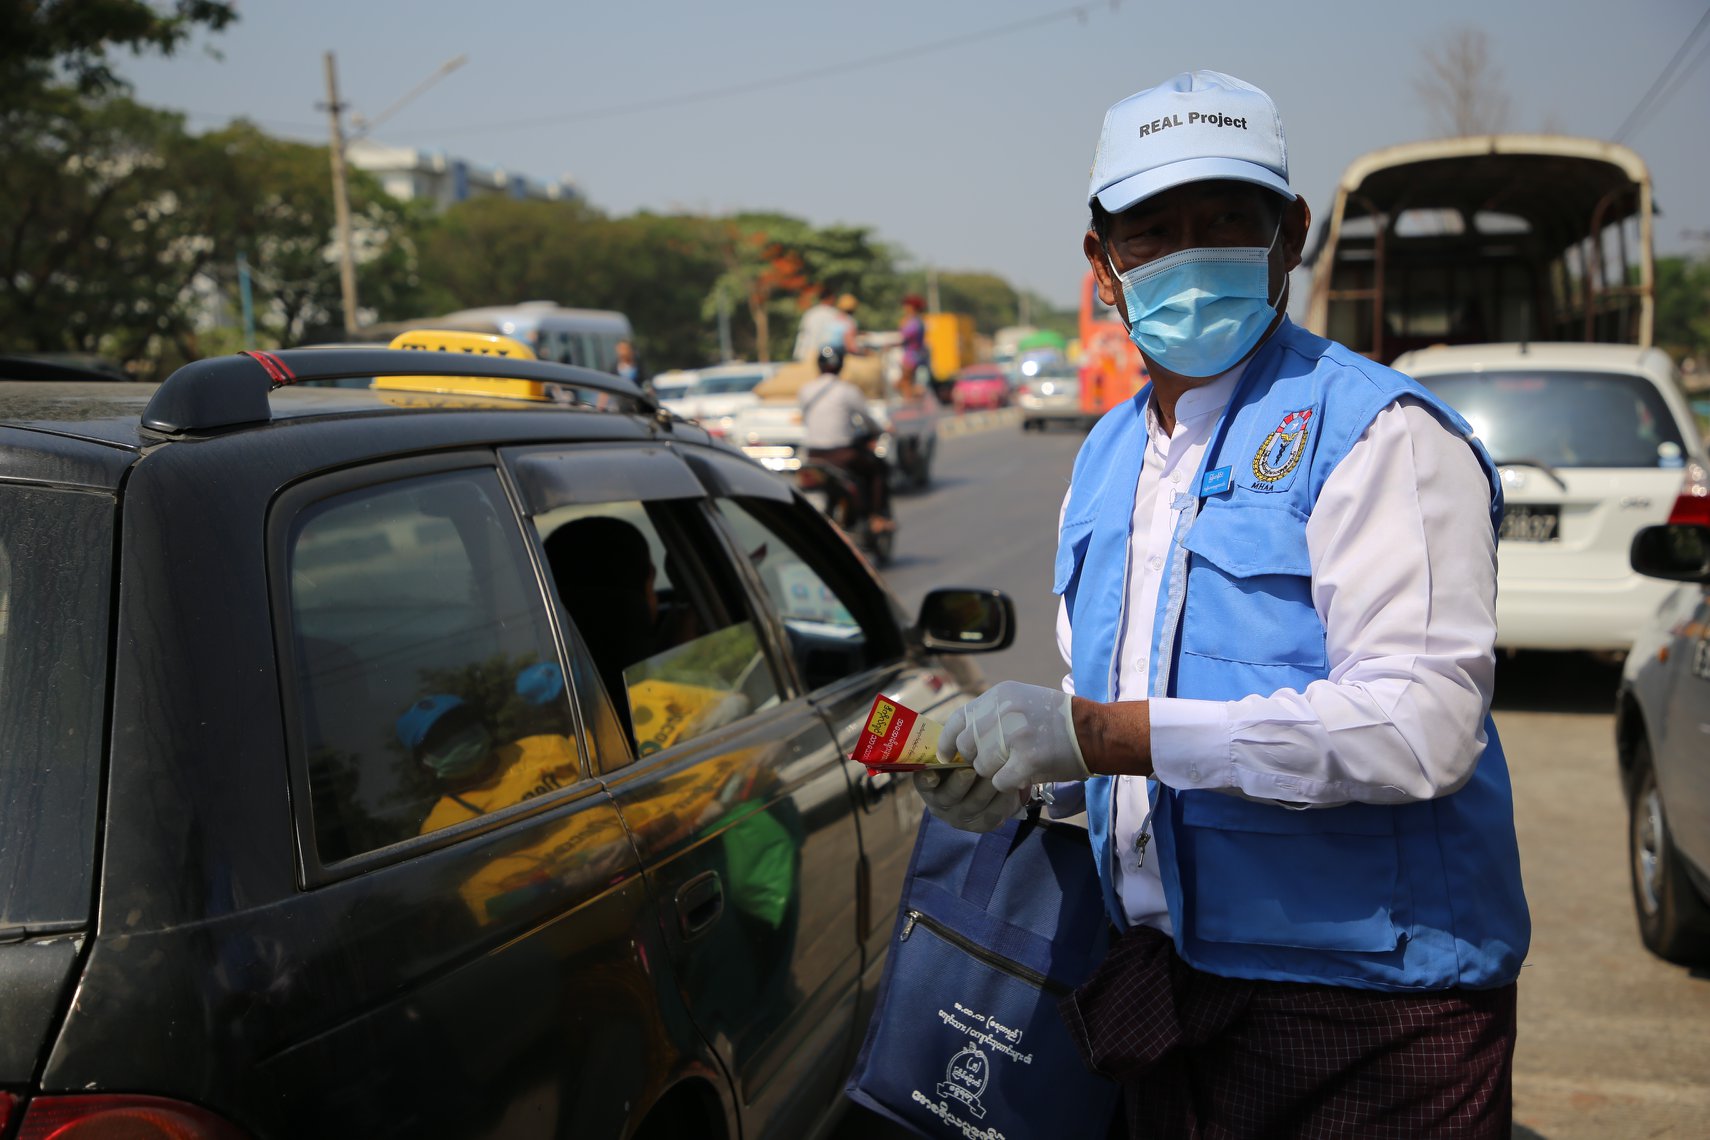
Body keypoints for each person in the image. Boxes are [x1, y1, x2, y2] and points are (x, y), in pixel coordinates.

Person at [915, 70, 1529, 1138]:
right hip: (1167, 981)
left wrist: (1098, 736)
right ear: (1102, 267)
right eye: (1152, 232)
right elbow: (1124, 730)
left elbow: (1422, 727)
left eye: (1226, 221)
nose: (1190, 255)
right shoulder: (1107, 454)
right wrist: (1025, 780)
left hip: (1375, 1012)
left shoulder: (1379, 434)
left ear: (1289, 236)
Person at [800, 343, 894, 535]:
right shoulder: (847, 390)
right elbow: (867, 419)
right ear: (841, 365)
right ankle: (876, 517)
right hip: (841, 455)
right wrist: (878, 431)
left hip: (813, 455)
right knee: (876, 469)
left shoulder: (806, 390)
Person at [897, 293, 935, 402]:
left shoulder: (913, 322)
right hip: (917, 355)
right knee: (909, 382)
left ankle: (909, 403)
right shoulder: (919, 321)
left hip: (912, 356)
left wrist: (903, 323)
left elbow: (904, 335)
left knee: (906, 383)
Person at [793, 288, 844, 362]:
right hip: (827, 354)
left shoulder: (810, 313)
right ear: (831, 298)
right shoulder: (835, 314)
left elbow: (802, 335)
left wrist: (799, 353)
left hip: (807, 353)